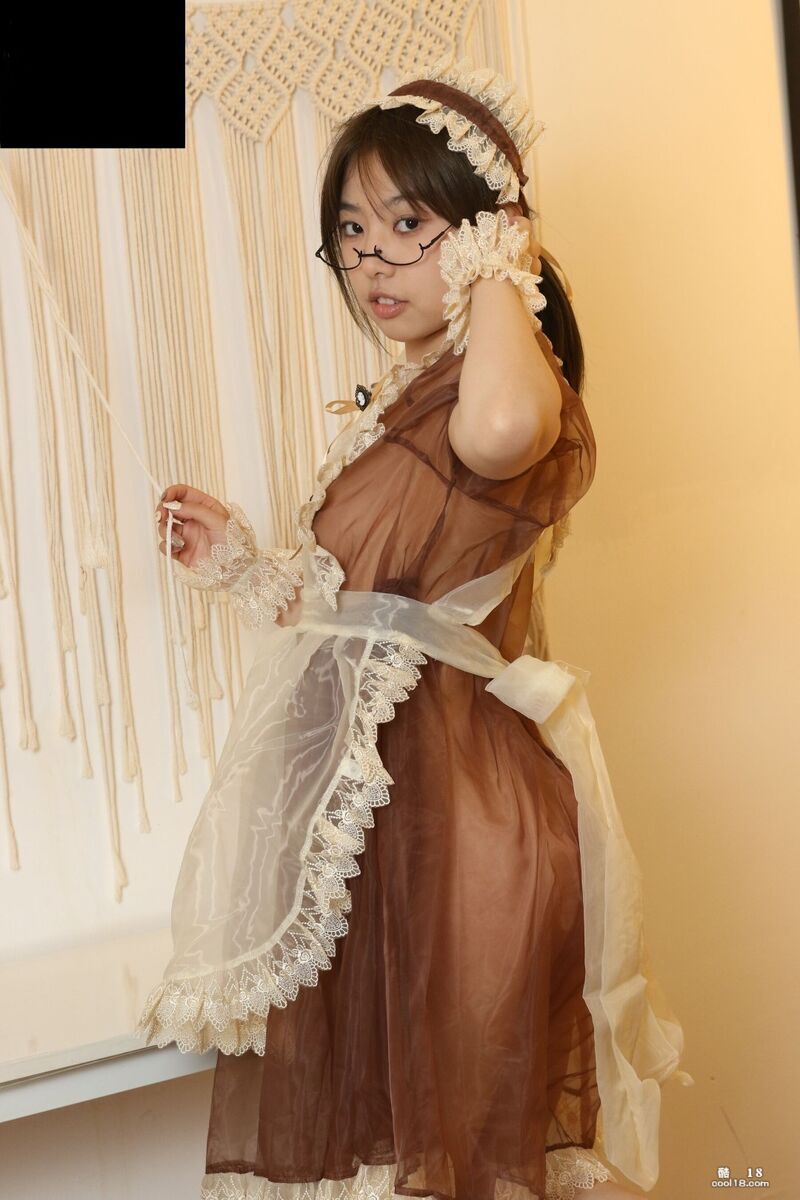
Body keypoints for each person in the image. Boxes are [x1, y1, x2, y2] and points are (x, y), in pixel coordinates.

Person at [139, 54, 692, 1200]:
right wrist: (241, 563)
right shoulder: (408, 391)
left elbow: (499, 434)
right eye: (349, 230)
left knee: (458, 1158)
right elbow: (374, 623)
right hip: (390, 827)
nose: (370, 259)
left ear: (486, 236)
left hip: (463, 821)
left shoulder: (499, 384)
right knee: (394, 1155)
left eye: (408, 224)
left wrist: (503, 258)